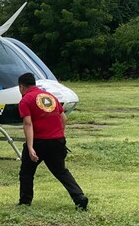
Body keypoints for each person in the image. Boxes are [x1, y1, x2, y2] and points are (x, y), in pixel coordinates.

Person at [17, 72, 89, 211]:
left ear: (22, 86)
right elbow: (64, 118)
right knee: (61, 171)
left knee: (26, 172)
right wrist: (59, 136)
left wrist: (30, 147)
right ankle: (79, 197)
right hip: (57, 141)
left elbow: (28, 124)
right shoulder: (50, 97)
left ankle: (25, 202)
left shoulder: (26, 100)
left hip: (39, 142)